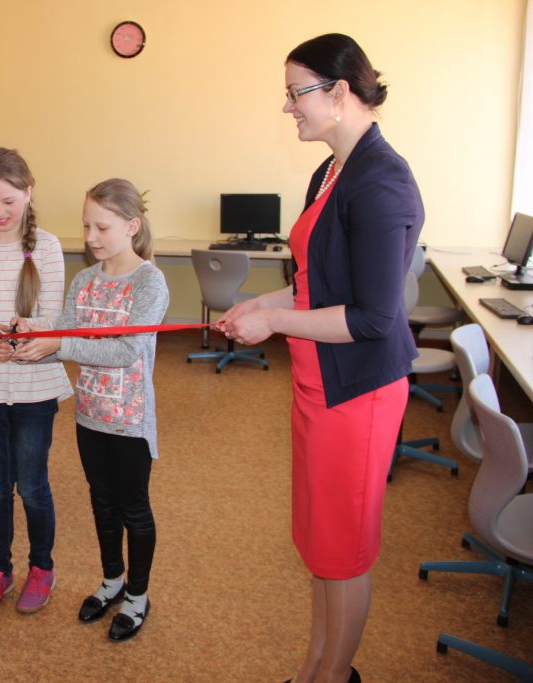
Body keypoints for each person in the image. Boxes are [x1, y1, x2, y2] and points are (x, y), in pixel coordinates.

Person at [219, 34, 422, 683]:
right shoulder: (331, 169)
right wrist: (261, 304)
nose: (287, 107)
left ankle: (336, 676)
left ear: (338, 93)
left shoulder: (381, 181)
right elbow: (315, 283)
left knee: (344, 551)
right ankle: (313, 665)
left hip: (357, 392)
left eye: (295, 93)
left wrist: (275, 321)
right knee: (320, 543)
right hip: (317, 383)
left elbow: (371, 318)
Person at [12, 178, 168, 642]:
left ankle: (138, 595)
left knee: (133, 508)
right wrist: (30, 335)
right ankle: (112, 580)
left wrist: (59, 344)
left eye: (102, 227)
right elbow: (64, 334)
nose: (91, 237)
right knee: (101, 501)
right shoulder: (84, 280)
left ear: (132, 226)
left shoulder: (149, 282)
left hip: (129, 420)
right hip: (90, 414)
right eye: (86, 226)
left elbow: (125, 351)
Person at [0, 148, 71, 617]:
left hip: (35, 383)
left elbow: (53, 317)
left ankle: (42, 567)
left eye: (8, 201)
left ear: (28, 193)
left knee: (33, 484)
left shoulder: (48, 246)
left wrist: (26, 330)